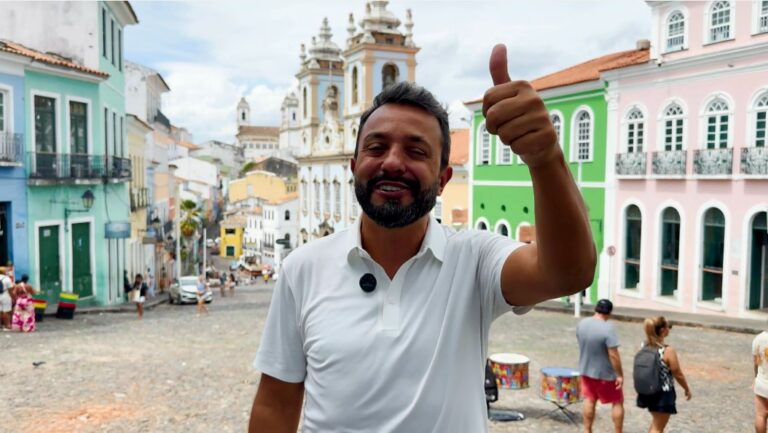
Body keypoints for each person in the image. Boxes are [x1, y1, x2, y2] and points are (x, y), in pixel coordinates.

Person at [248, 44, 596, 433]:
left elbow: (568, 273)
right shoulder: (303, 268)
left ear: (444, 179)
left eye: (416, 151)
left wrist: (546, 158)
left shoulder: (474, 261)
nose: (393, 162)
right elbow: (276, 406)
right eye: (376, 147)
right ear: (354, 167)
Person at [576, 299, 624, 433]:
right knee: (617, 401)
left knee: (589, 400)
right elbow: (613, 355)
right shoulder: (608, 328)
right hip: (606, 373)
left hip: (586, 369)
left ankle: (587, 429)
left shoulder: (582, 324)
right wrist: (619, 374)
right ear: (609, 312)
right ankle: (618, 431)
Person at [637, 316, 691, 432]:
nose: (669, 329)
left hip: (647, 391)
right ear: (662, 330)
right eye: (669, 326)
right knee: (658, 427)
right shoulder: (667, 350)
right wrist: (686, 389)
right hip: (663, 394)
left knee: (656, 423)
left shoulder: (643, 346)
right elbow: (678, 373)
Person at [755, 327, 768, 433]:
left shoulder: (759, 338)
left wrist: (755, 377)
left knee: (760, 415)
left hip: (762, 385)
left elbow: (755, 362)